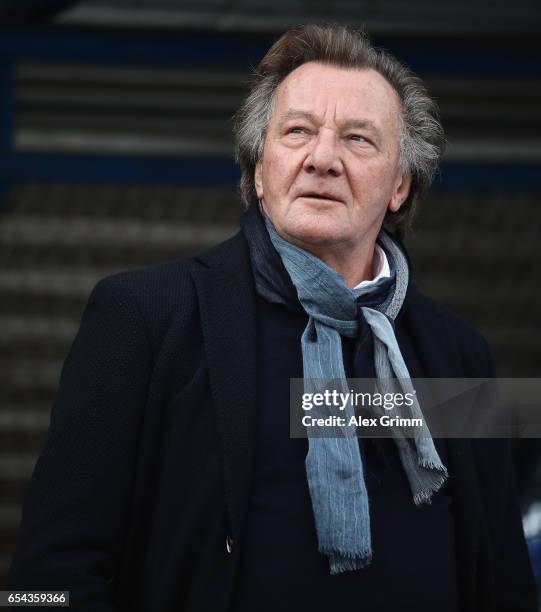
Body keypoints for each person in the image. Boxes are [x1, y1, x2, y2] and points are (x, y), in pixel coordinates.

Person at [8, 24, 537, 611]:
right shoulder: (144, 320)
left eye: (359, 139)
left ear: (400, 185)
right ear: (260, 173)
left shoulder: (460, 354)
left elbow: (504, 582)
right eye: (297, 132)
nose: (323, 158)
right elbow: (45, 583)